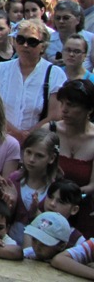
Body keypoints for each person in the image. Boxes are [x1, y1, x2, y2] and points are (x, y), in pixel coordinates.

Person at [0, 19, 64, 143]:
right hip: (1, 139)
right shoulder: (1, 68)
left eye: (32, 42)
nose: (25, 45)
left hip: (38, 143)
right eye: (20, 40)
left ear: (43, 46)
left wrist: (28, 136)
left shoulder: (55, 73)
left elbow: (55, 116)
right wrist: (15, 134)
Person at [44, 78, 94, 238]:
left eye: (71, 105)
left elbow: (93, 185)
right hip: (48, 206)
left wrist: (68, 194)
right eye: (62, 103)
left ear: (89, 109)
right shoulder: (49, 130)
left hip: (82, 210)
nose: (64, 110)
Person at [2, 128, 61, 244]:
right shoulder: (15, 179)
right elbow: (4, 217)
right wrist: (9, 205)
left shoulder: (55, 187)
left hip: (39, 246)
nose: (31, 159)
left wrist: (37, 214)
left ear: (52, 158)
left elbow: (57, 225)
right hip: (10, 242)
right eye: (28, 152)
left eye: (39, 156)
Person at [46, 0, 94, 69]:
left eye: (66, 18)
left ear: (78, 19)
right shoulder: (48, 40)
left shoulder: (91, 39)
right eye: (58, 18)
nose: (61, 21)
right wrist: (52, 66)